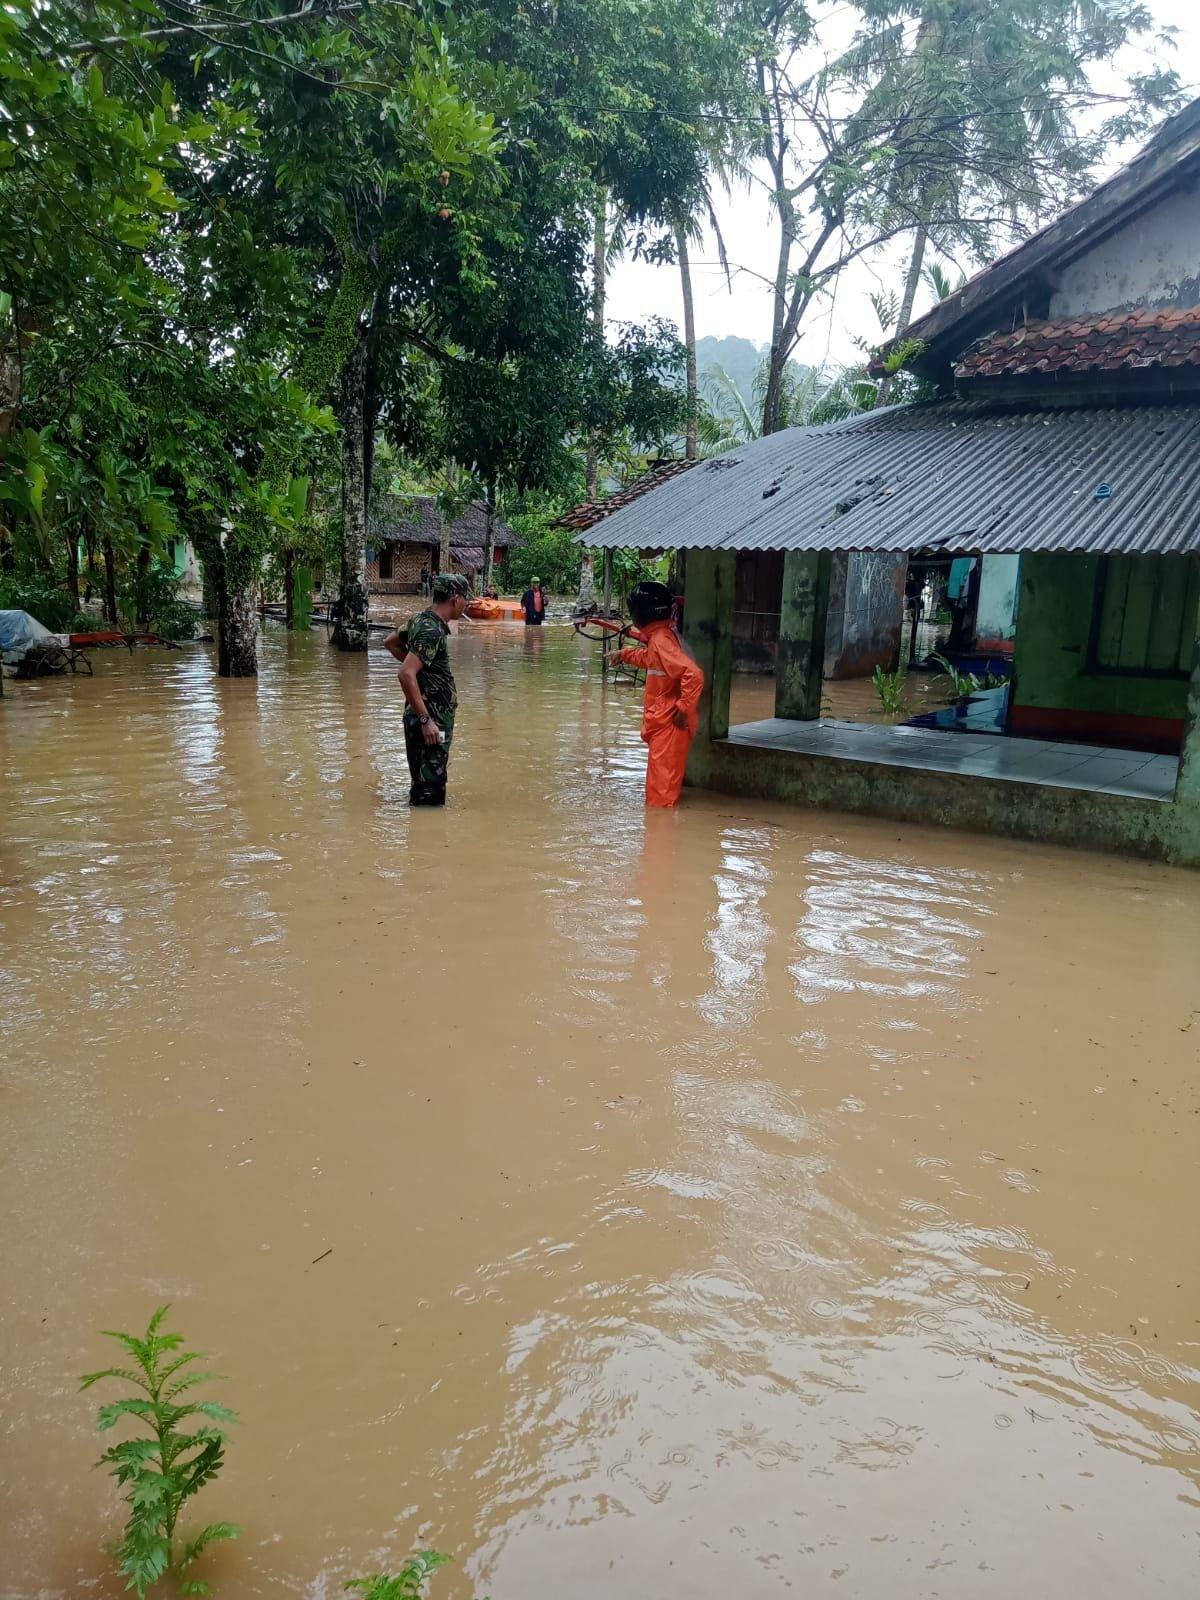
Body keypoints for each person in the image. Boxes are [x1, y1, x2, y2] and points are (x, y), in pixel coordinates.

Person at [610, 580, 704, 808]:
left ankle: (660, 839)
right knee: (660, 790)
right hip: (664, 721)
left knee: (660, 799)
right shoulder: (662, 636)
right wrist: (625, 654)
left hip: (669, 722)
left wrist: (683, 709)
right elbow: (654, 661)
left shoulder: (661, 639)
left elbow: (694, 674)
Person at [384, 572, 472, 806]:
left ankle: (420, 835)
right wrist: (426, 719)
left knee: (424, 784)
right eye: (466, 600)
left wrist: (420, 670)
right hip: (430, 720)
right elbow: (405, 673)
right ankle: (427, 839)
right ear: (455, 599)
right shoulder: (431, 630)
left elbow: (391, 642)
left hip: (425, 716)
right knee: (430, 793)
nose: (466, 605)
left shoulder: (419, 621)